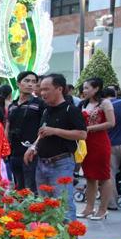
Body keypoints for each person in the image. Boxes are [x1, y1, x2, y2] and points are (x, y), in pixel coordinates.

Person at [23, 74, 87, 223]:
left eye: (46, 89)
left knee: (64, 206)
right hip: (42, 163)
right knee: (44, 206)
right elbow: (43, 134)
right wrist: (33, 147)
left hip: (61, 164)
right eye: (41, 89)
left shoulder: (70, 110)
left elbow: (82, 134)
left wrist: (55, 131)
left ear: (59, 89)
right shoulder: (45, 110)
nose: (42, 93)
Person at [77, 78, 115, 220]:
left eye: (87, 88)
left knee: (104, 176)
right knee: (89, 176)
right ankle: (89, 208)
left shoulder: (105, 103)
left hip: (100, 143)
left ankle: (103, 209)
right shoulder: (83, 104)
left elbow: (111, 123)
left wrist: (88, 128)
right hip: (85, 143)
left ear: (96, 88)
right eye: (84, 88)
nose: (84, 91)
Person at [7, 71, 43, 192]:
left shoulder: (39, 104)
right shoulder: (12, 106)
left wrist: (35, 147)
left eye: (33, 82)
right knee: (18, 188)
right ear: (18, 83)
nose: (30, 84)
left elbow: (43, 129)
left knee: (31, 189)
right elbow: (8, 126)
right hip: (14, 152)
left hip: (31, 153)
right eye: (27, 81)